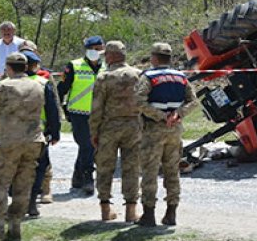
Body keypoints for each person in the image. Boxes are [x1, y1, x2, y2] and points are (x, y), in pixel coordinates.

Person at [0, 52, 45, 241]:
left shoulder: (4, 86)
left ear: (8, 68)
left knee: (0, 182)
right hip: (33, 141)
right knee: (23, 184)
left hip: (9, 141)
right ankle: (16, 225)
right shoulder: (38, 85)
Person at [89, 41, 160, 222]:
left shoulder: (104, 77)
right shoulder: (138, 75)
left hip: (109, 128)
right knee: (132, 168)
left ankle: (105, 209)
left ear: (111, 56)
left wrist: (93, 132)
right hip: (133, 126)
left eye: (106, 55)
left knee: (105, 168)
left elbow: (96, 109)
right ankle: (130, 210)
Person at [138, 43, 197, 227]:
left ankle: (148, 215)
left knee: (150, 171)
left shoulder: (148, 76)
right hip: (175, 130)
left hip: (154, 129)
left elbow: (138, 101)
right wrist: (178, 114)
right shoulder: (181, 77)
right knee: (172, 171)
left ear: (154, 58)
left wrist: (162, 116)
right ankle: (171, 213)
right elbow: (193, 102)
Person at [57, 36, 105, 195]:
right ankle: (87, 177)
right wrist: (62, 110)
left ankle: (77, 176)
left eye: (99, 48)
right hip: (78, 113)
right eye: (94, 49)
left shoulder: (107, 67)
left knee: (91, 146)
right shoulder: (74, 65)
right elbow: (61, 89)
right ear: (87, 50)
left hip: (99, 113)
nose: (97, 52)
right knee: (86, 145)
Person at [21, 49, 61, 218]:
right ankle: (31, 202)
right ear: (33, 65)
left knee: (18, 167)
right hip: (38, 133)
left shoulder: (7, 82)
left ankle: (19, 200)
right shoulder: (42, 83)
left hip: (13, 132)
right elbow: (52, 110)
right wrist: (55, 131)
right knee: (39, 167)